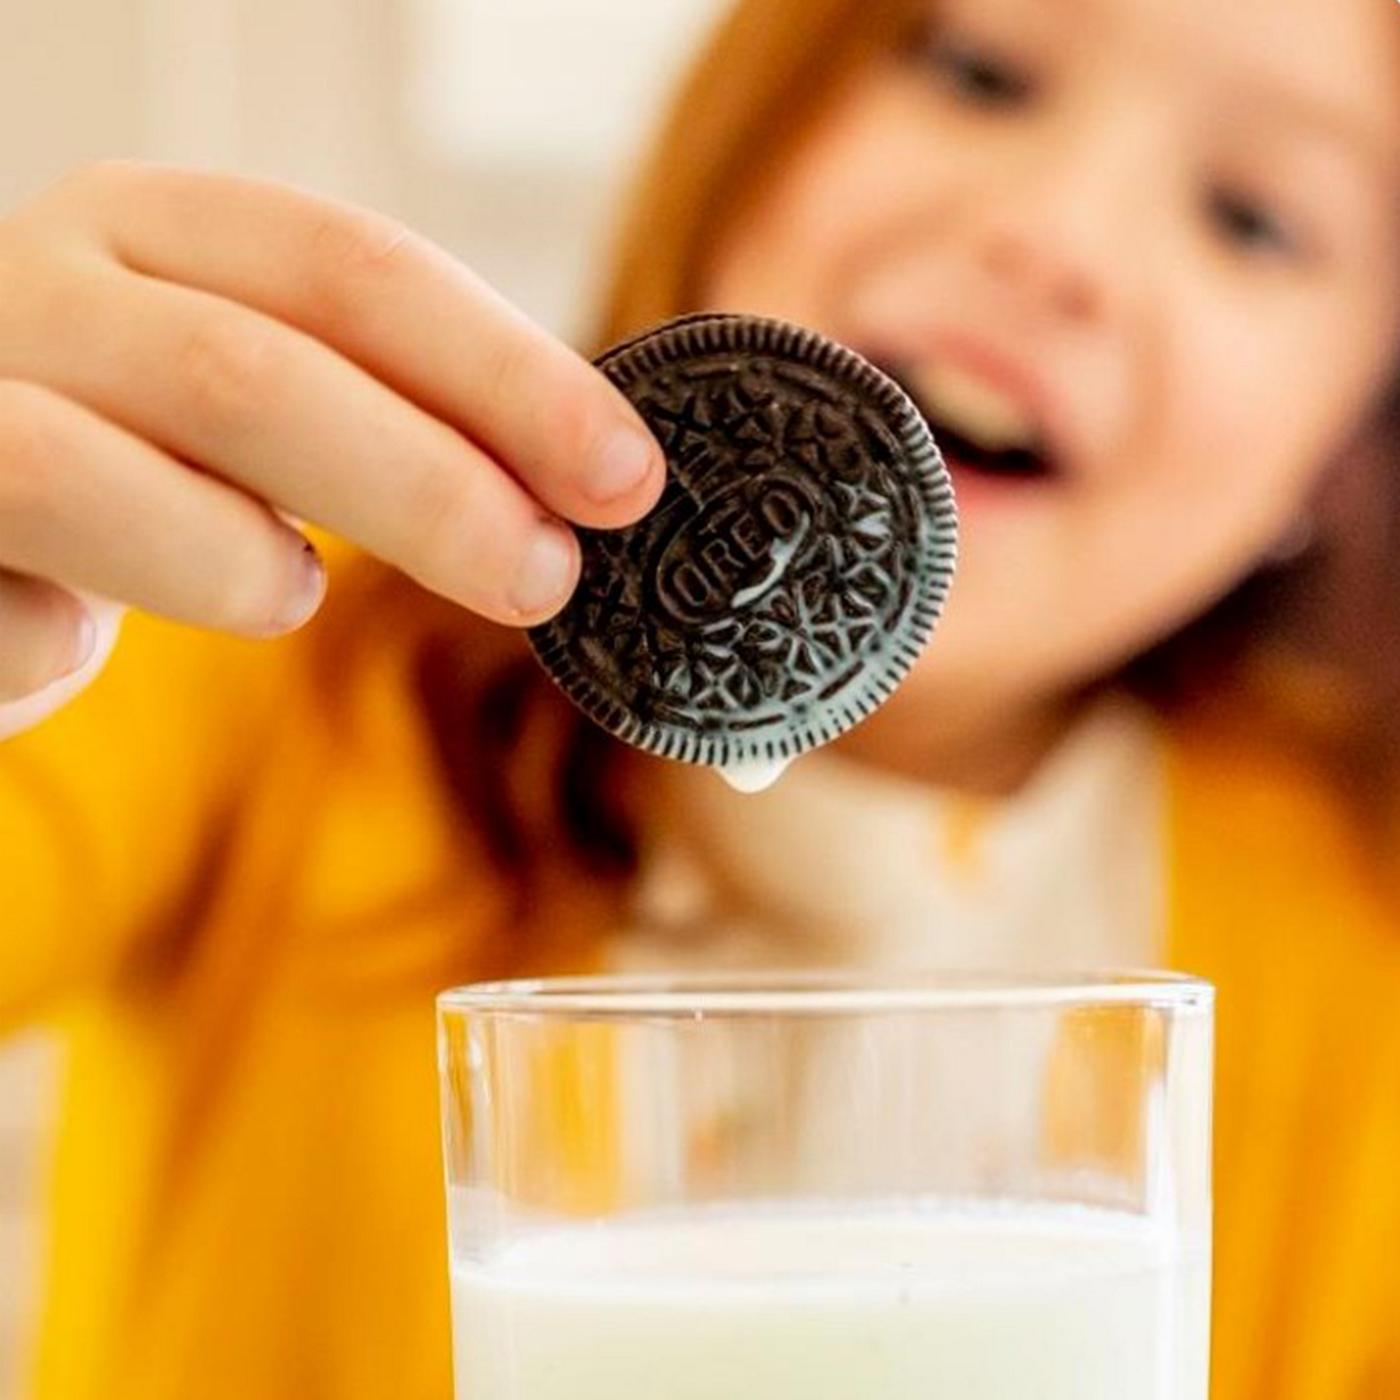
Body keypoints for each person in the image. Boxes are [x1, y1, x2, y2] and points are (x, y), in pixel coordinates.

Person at [2, 0, 1398, 1394]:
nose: (1061, 238)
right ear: (737, 125)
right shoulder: (250, 633)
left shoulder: (1362, 954)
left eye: (1258, 219)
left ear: (1351, 440)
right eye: (977, 72)